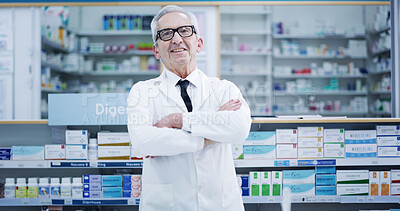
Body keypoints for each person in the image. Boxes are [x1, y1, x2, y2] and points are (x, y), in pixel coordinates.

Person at [126, 5, 252, 211]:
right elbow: (143, 142)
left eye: (185, 30)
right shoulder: (142, 91)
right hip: (166, 205)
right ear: (156, 50)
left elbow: (238, 130)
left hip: (220, 204)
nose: (176, 39)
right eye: (166, 34)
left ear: (199, 43)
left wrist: (177, 121)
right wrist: (209, 135)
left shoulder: (224, 88)